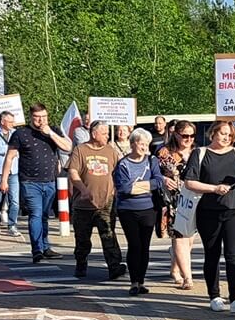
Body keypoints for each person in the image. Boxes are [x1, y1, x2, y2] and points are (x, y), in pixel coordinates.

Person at [183, 120, 235, 312]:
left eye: (230, 135)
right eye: (223, 134)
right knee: (212, 254)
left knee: (234, 255)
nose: (226, 138)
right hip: (209, 211)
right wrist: (213, 188)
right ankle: (214, 295)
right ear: (213, 133)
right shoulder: (201, 153)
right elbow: (190, 182)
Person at [1, 104, 71, 264]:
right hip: (30, 181)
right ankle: (37, 250)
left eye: (44, 117)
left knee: (45, 215)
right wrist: (4, 179)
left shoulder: (52, 130)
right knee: (36, 214)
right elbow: (10, 156)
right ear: (31, 117)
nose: (41, 120)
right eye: (38, 117)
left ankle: (45, 246)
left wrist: (51, 134)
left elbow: (67, 147)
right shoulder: (21, 133)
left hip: (50, 181)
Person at [67, 121, 124, 281]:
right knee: (82, 239)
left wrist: (117, 191)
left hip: (106, 203)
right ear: (94, 134)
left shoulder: (110, 151)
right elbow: (72, 172)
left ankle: (114, 267)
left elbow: (118, 173)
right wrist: (83, 189)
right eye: (104, 133)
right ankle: (81, 263)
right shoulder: (80, 150)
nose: (107, 136)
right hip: (83, 205)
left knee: (109, 236)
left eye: (108, 133)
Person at [112, 128, 161, 293]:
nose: (145, 147)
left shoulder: (151, 161)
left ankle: (141, 281)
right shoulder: (123, 164)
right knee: (134, 245)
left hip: (148, 209)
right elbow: (124, 188)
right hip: (128, 210)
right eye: (141, 144)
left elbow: (158, 182)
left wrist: (137, 187)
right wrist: (146, 186)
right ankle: (133, 282)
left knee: (145, 246)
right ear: (133, 144)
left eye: (147, 144)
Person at [159, 120, 197, 289]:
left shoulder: (197, 152)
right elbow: (153, 173)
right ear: (176, 134)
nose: (188, 139)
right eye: (185, 135)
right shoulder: (165, 152)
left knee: (189, 240)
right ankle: (187, 277)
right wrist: (164, 179)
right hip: (174, 200)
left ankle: (175, 268)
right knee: (180, 237)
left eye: (192, 135)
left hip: (193, 199)